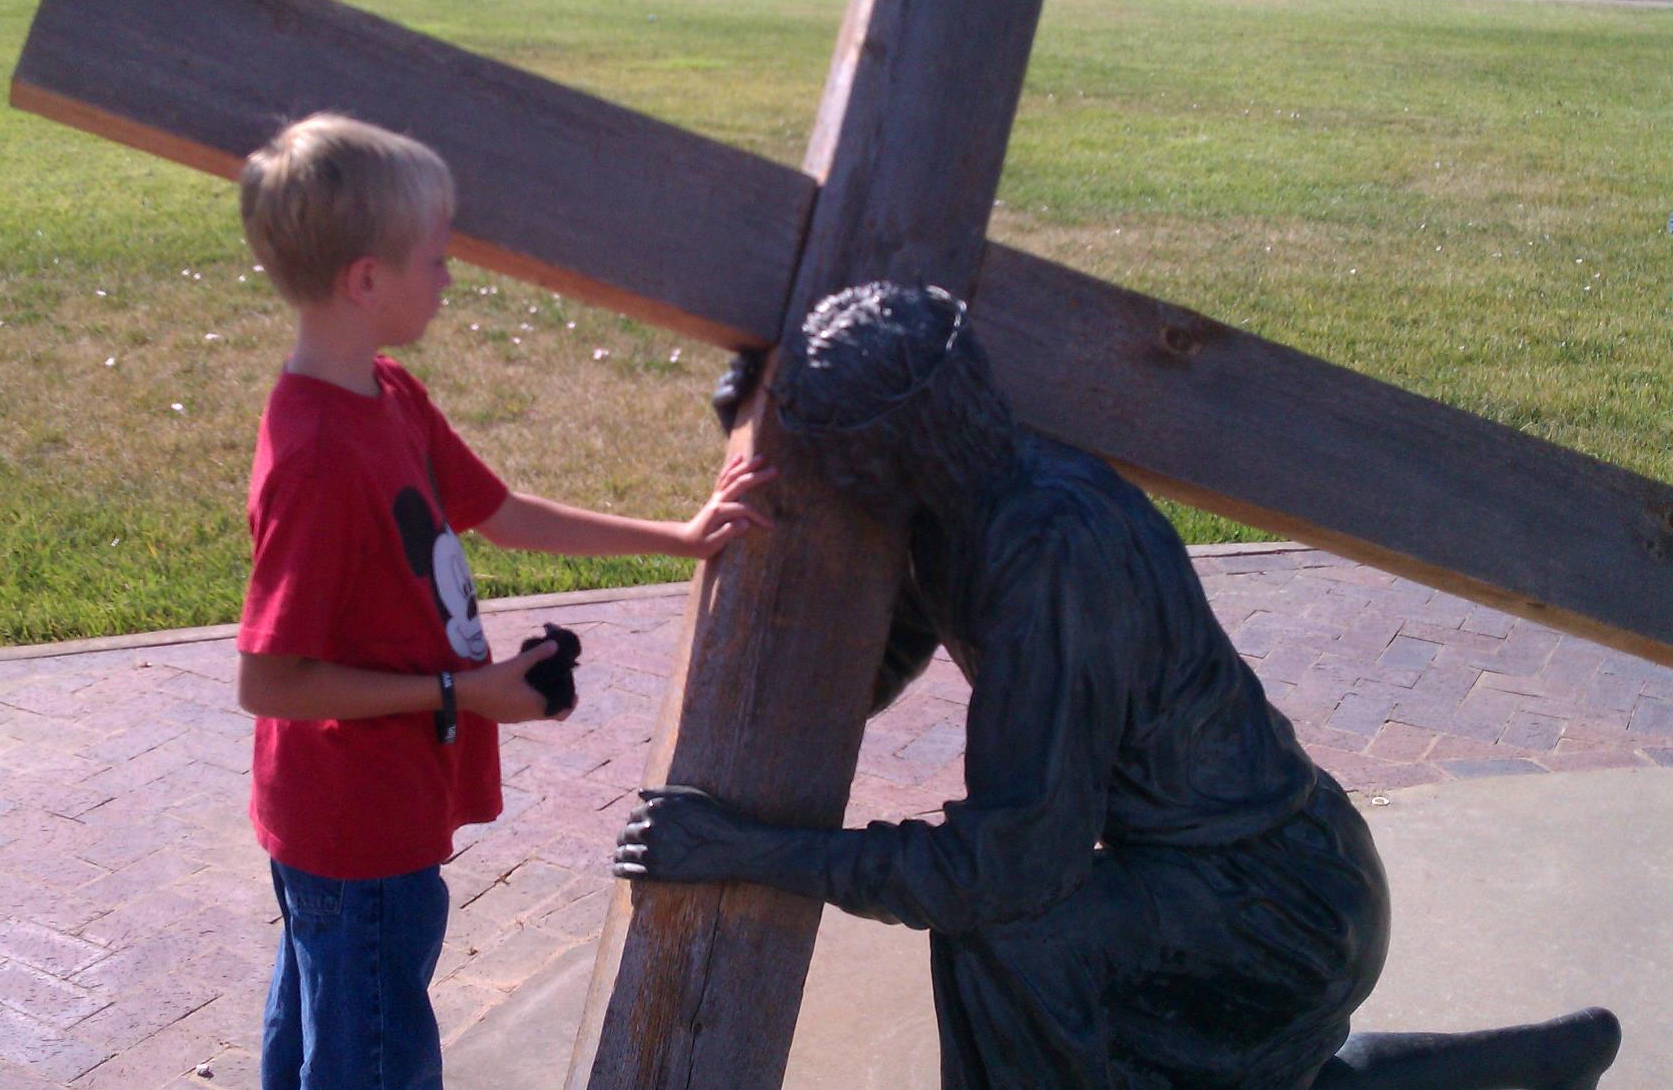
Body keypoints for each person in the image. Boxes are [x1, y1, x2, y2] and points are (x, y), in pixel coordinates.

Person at [616, 282, 1622, 1090]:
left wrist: (754, 851)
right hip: (1246, 879)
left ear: (887, 451)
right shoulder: (956, 513)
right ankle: (1522, 1064)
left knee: (1013, 939)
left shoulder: (1051, 554)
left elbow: (1007, 871)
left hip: (1276, 908)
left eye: (825, 464)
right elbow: (863, 679)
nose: (823, 489)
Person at [233, 113, 774, 1090]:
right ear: (366, 280)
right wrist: (461, 692)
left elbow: (505, 514)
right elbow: (270, 681)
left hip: (369, 820)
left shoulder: (387, 394)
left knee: (323, 1036)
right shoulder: (316, 456)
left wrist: (682, 536)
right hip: (353, 829)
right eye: (435, 259)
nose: (449, 278)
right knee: (372, 1064)